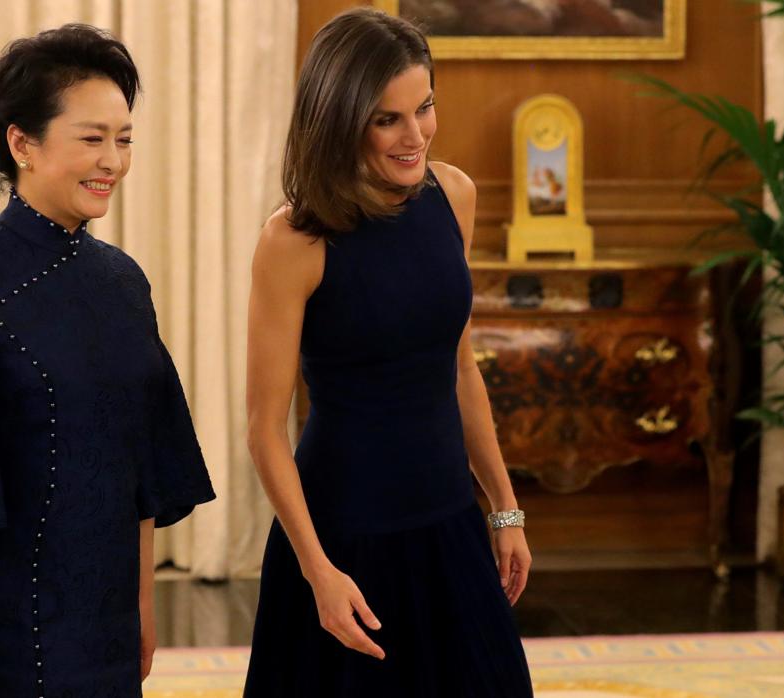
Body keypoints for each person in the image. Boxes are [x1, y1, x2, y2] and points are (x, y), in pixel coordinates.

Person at [0, 24, 215, 698]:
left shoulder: (123, 282)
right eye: (92, 139)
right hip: (7, 625)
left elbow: (141, 469)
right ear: (22, 144)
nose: (112, 161)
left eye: (124, 139)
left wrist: (142, 609)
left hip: (109, 617)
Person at [243, 8, 534, 696]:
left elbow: (458, 366)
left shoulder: (453, 196)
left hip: (448, 518)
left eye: (424, 107)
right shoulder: (293, 241)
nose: (416, 136)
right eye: (387, 119)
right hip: (344, 538)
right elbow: (263, 430)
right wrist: (317, 570)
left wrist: (505, 507)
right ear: (342, 119)